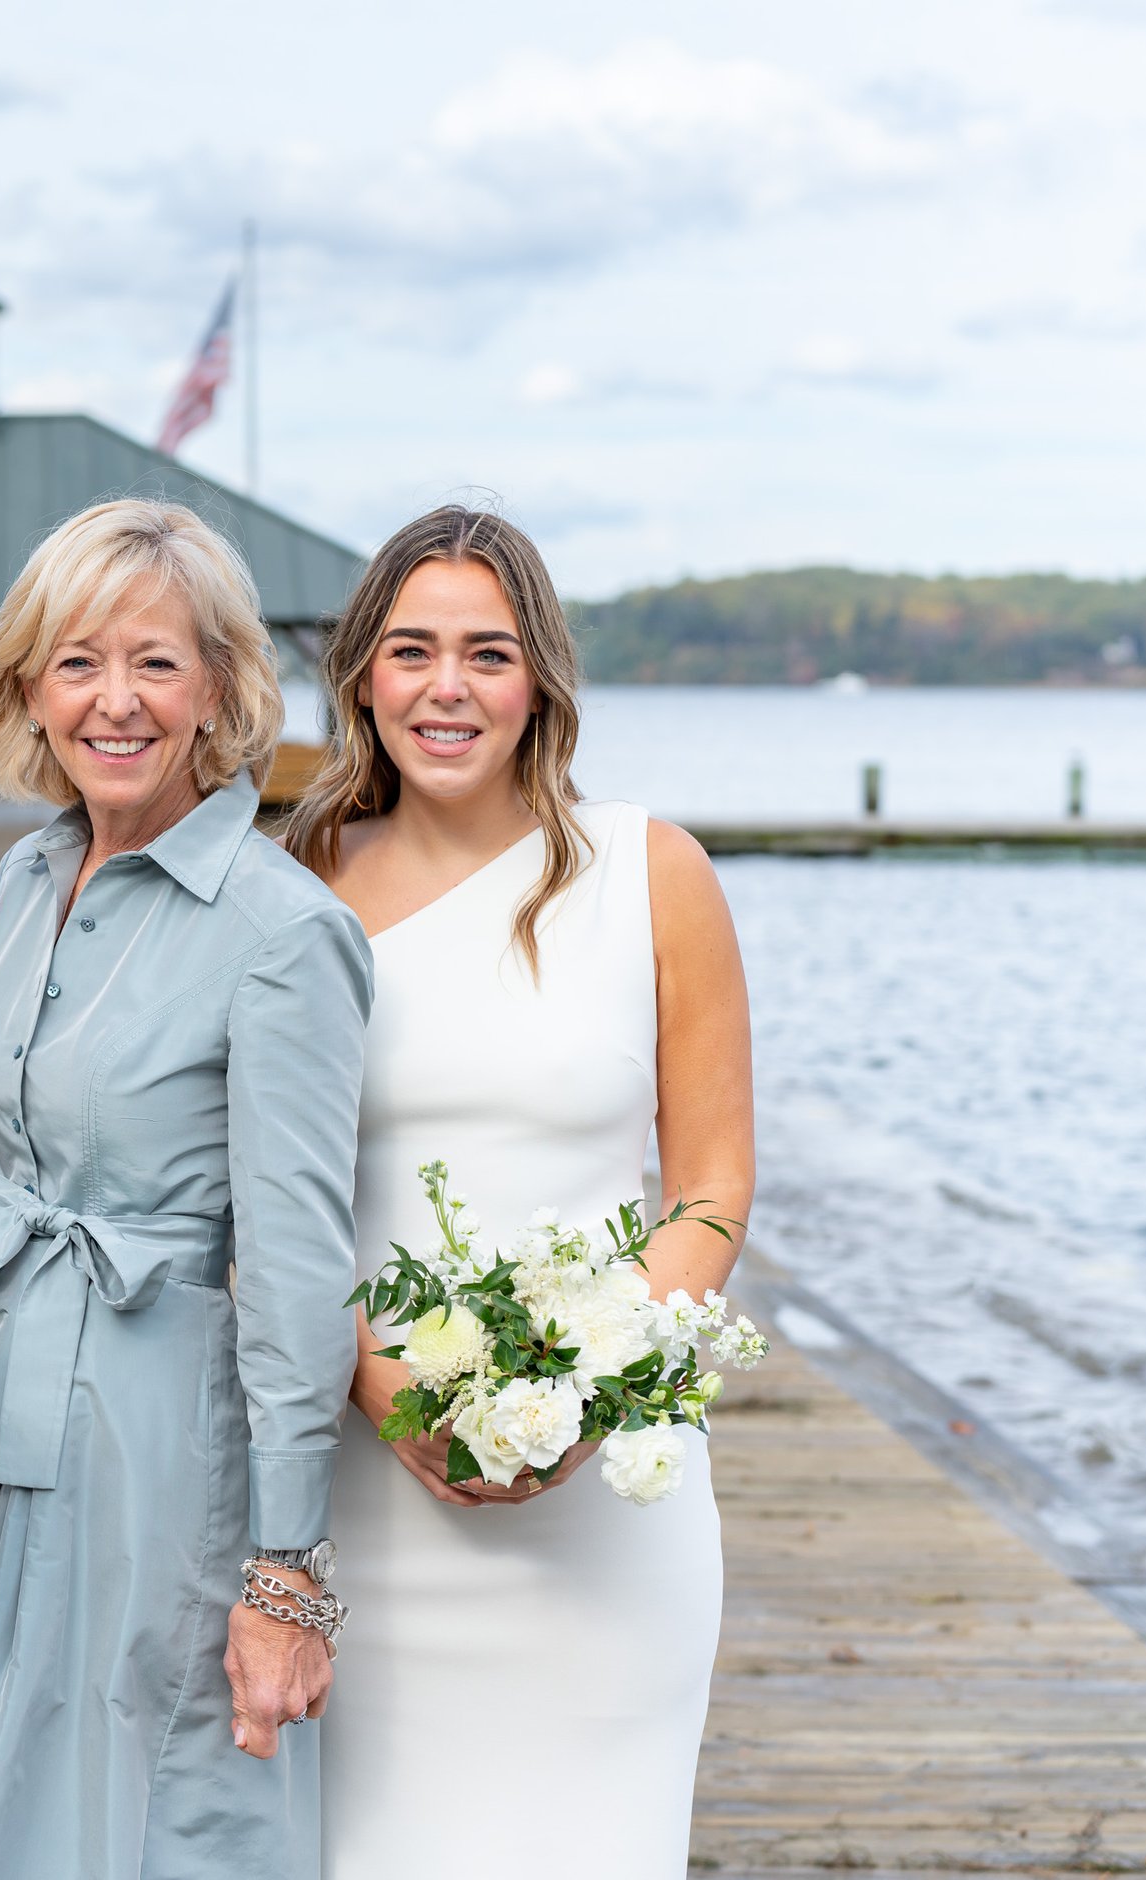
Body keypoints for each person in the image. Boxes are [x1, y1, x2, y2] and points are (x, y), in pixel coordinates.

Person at [0, 499, 372, 1880]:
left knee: (137, 1817)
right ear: (26, 688)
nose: (114, 702)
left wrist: (284, 1573)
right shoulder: (22, 874)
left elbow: (301, 1266)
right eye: (76, 663)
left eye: (155, 663)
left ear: (220, 691)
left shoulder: (284, 931)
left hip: (153, 1447)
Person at [286, 505, 756, 1878]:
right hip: (366, 1499)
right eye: (413, 650)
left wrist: (592, 1387)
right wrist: (392, 1394)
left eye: (487, 653)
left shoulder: (649, 872)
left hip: (607, 1521)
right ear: (363, 673)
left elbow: (713, 1181)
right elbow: (267, 1198)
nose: (448, 688)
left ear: (540, 679)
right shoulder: (294, 890)